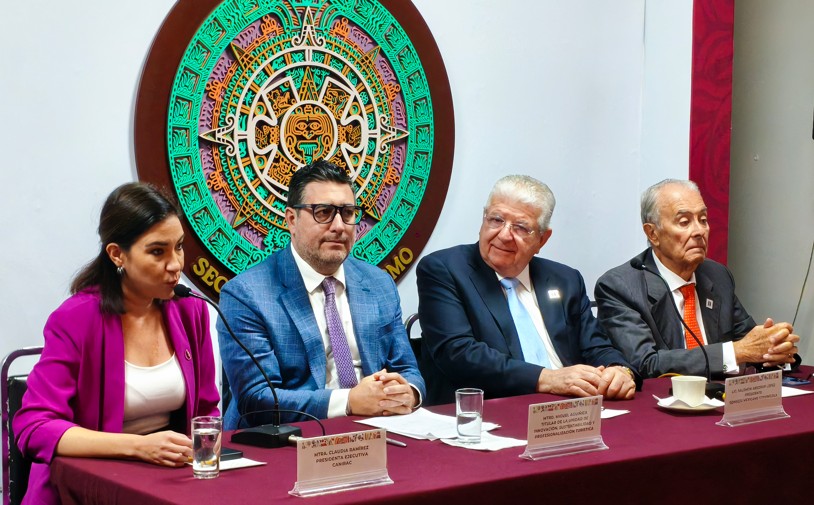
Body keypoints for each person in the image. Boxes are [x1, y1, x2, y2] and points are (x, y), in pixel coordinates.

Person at [13, 182, 220, 505]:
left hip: (165, 485)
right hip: (85, 490)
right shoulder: (76, 319)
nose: (176, 264)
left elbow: (206, 411)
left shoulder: (190, 311)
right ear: (117, 254)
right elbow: (33, 427)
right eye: (157, 251)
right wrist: (138, 447)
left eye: (178, 247)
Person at [218, 160, 425, 429]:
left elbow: (408, 370)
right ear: (291, 220)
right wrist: (349, 401)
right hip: (287, 439)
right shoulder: (246, 295)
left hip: (375, 430)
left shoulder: (378, 284)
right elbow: (258, 399)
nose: (339, 226)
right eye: (323, 212)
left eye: (347, 213)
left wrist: (408, 393)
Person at [416, 175, 638, 406]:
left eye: (521, 227)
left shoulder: (565, 279)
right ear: (483, 219)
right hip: (492, 407)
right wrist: (547, 379)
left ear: (542, 239)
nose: (504, 235)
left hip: (570, 409)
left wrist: (619, 370)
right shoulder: (444, 269)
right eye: (496, 220)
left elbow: (595, 345)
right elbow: (458, 354)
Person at [594, 179, 800, 378]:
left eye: (703, 220)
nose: (700, 231)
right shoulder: (620, 286)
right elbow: (646, 364)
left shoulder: (717, 276)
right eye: (684, 222)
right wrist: (736, 352)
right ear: (653, 233)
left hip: (721, 395)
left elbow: (750, 343)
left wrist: (774, 348)